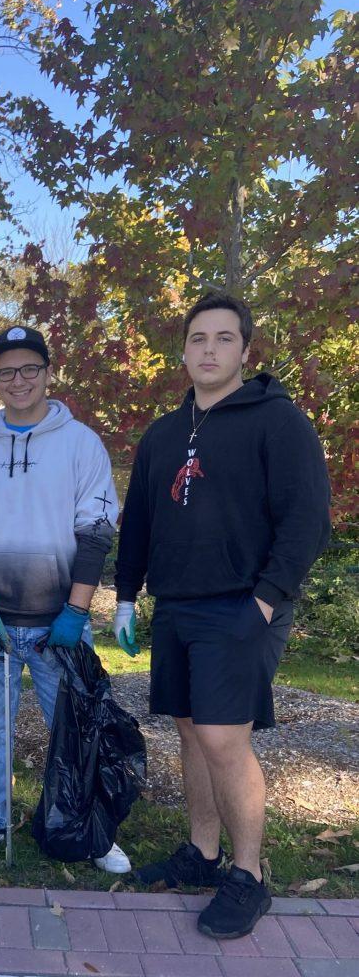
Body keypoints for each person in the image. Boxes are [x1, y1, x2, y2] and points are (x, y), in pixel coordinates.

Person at [113, 292, 331, 938]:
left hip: (241, 606)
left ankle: (248, 876)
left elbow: (306, 520)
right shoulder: (163, 433)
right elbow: (140, 524)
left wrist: (266, 600)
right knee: (188, 730)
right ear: (184, 349)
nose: (209, 350)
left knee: (222, 739)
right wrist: (126, 596)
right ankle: (202, 854)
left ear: (244, 349)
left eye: (223, 338)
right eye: (198, 338)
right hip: (176, 605)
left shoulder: (277, 421)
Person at [0, 325, 130, 872]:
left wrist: (76, 612)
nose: (19, 380)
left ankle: (86, 824)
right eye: (6, 372)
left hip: (60, 623)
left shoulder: (81, 444)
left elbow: (97, 531)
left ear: (48, 373)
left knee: (73, 729)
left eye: (30, 369)